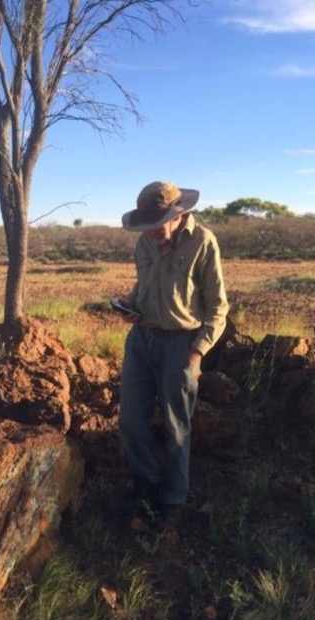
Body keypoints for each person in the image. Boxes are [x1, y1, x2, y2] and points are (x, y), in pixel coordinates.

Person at [116, 181, 229, 533]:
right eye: (146, 226)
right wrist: (129, 308)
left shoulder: (203, 242)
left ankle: (173, 503)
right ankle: (146, 489)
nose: (151, 232)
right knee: (131, 421)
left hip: (180, 346)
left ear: (179, 215)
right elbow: (143, 289)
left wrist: (197, 353)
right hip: (141, 341)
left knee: (177, 427)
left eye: (158, 223)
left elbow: (217, 306)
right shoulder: (145, 243)